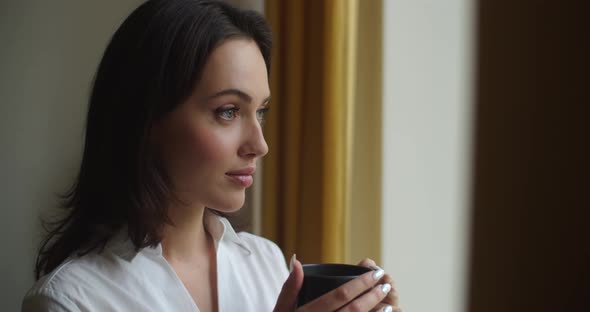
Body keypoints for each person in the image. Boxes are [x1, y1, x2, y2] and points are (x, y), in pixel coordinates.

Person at [22, 0, 400, 311]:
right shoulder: (70, 300)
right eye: (229, 111)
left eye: (261, 112)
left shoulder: (267, 263)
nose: (260, 144)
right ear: (147, 119)